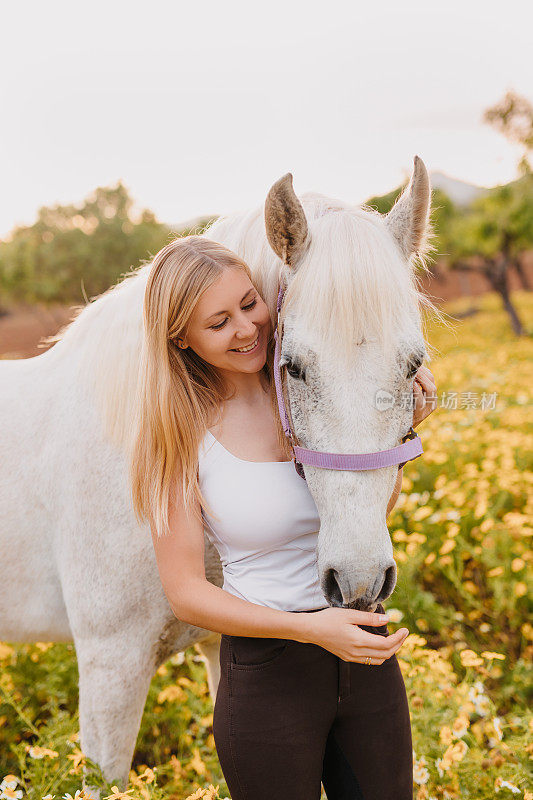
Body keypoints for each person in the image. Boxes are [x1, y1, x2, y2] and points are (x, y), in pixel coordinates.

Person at [130, 235, 437, 800]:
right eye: (218, 322)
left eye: (249, 304)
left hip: (367, 652)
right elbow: (186, 593)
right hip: (269, 674)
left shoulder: (311, 391)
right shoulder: (175, 435)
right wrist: (310, 629)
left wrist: (401, 432)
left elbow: (362, 516)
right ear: (182, 338)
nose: (247, 329)